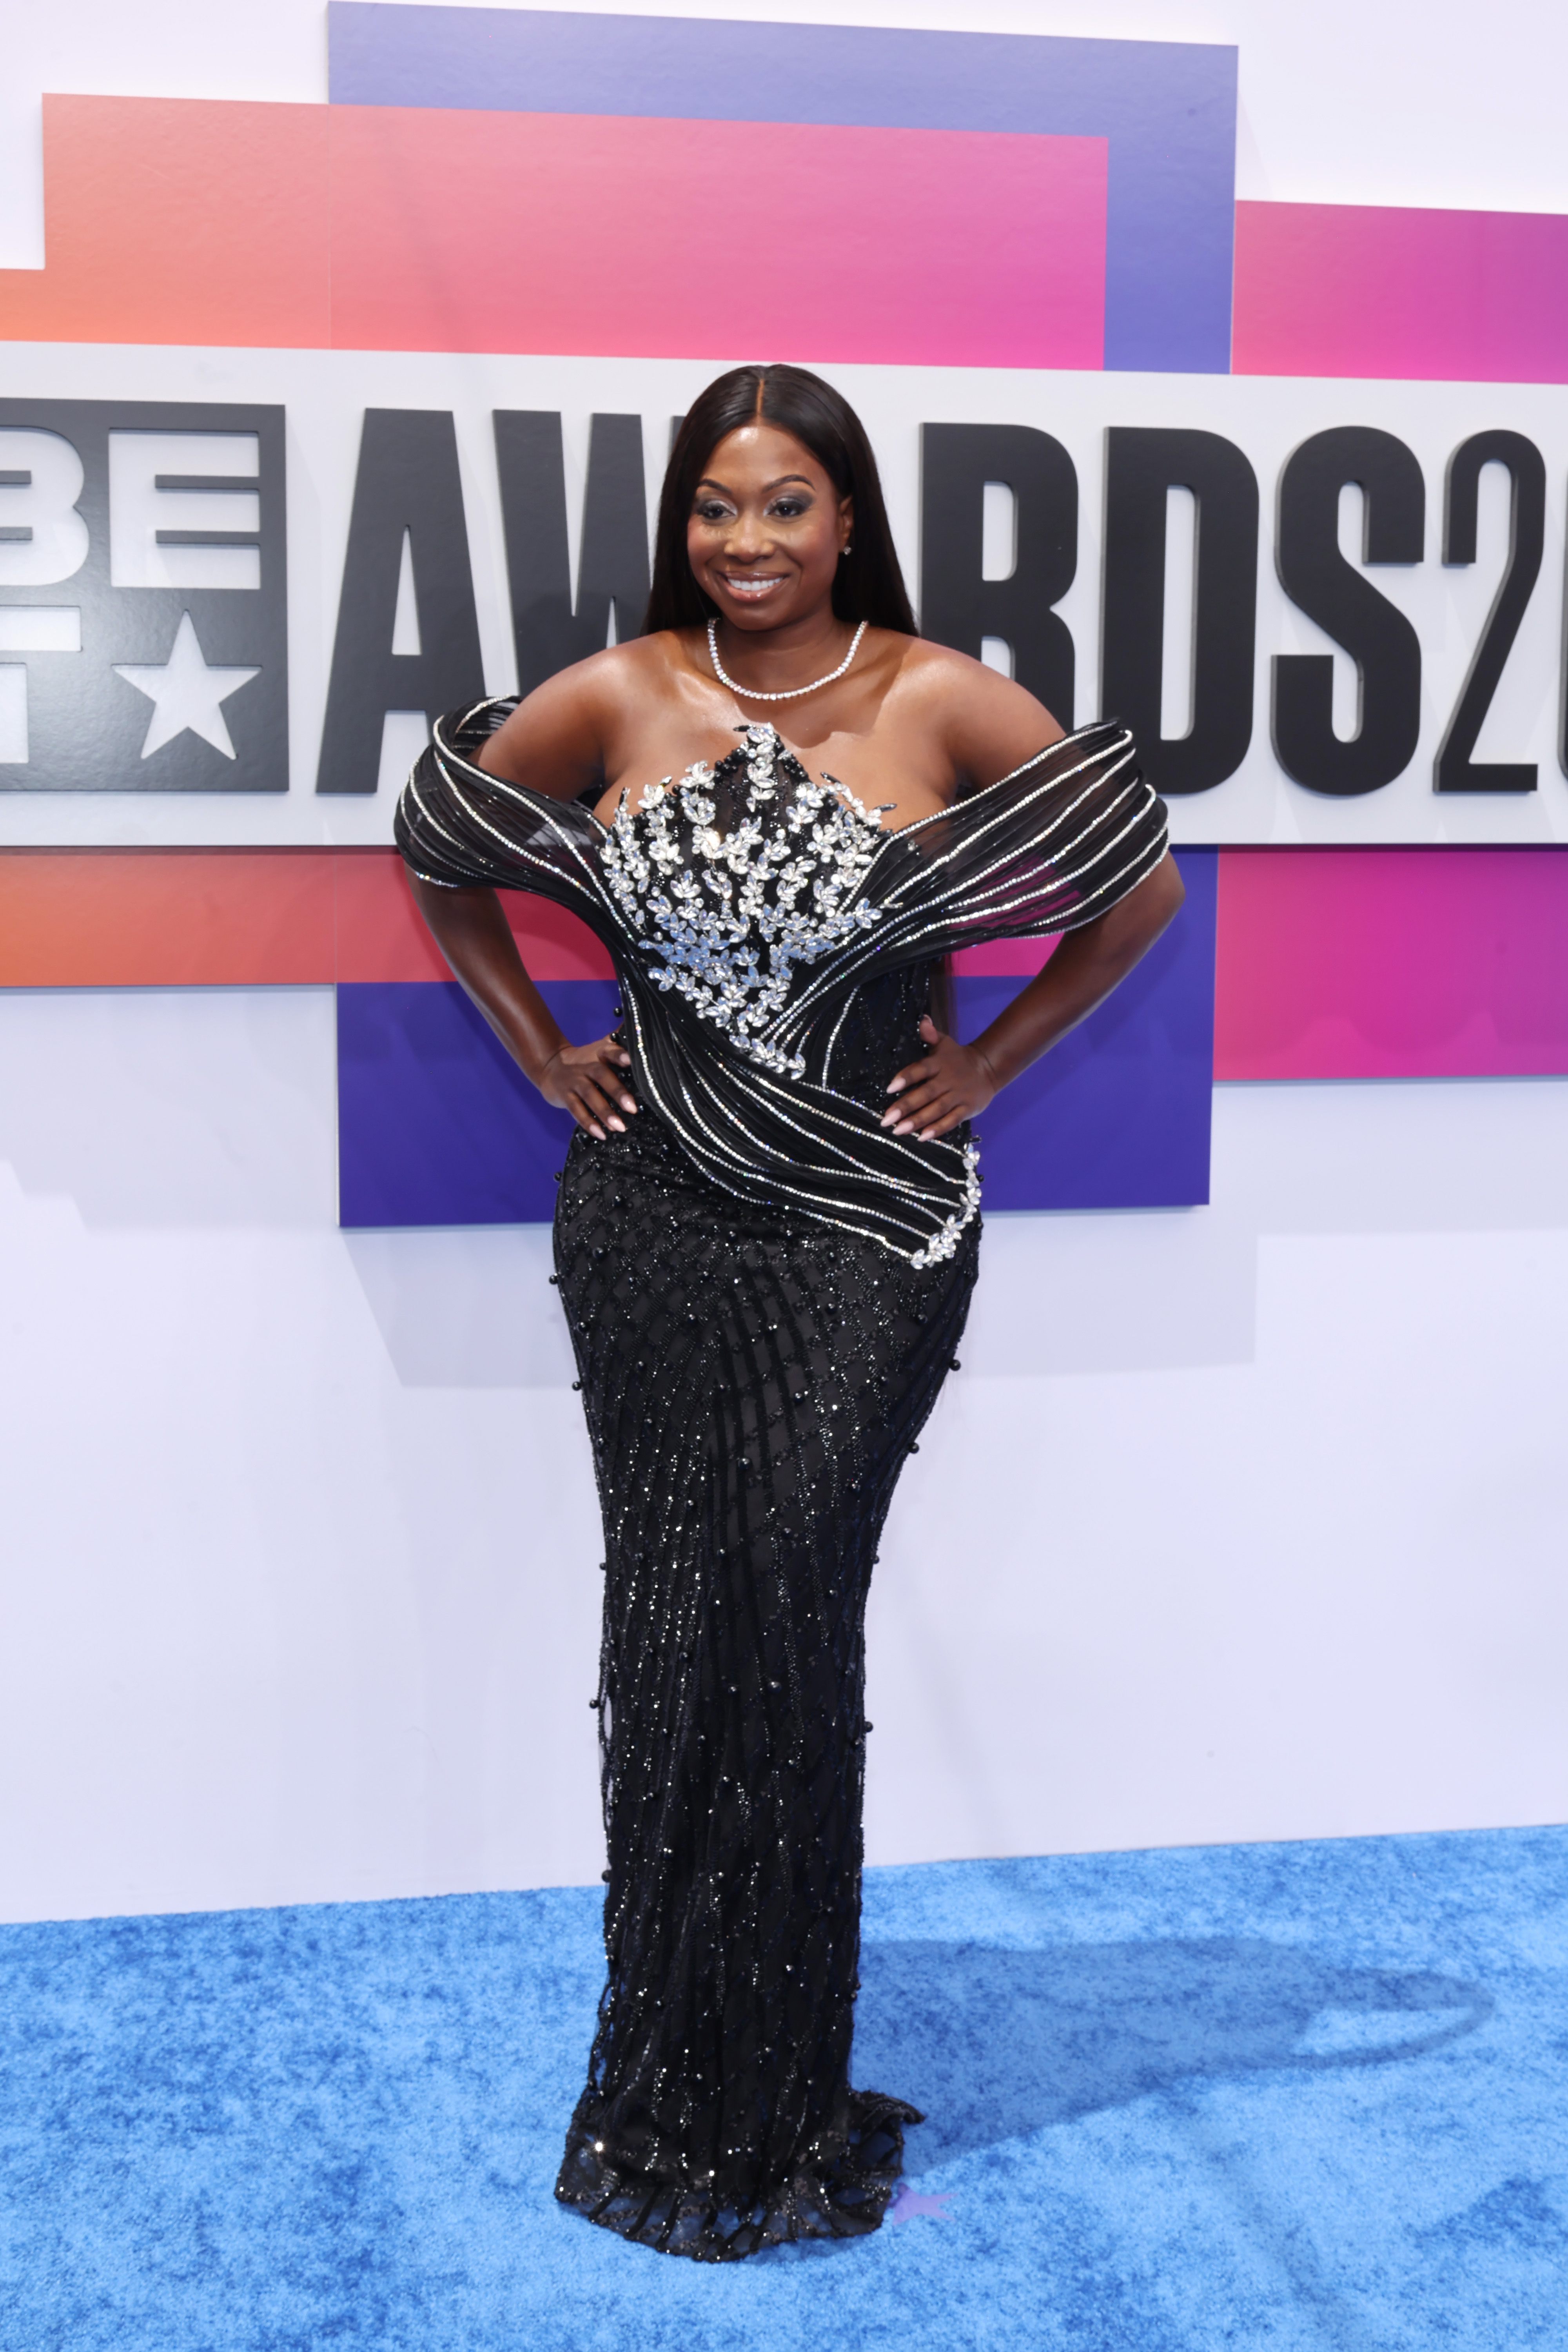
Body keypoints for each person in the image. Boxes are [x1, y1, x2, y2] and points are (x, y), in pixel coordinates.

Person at [397, 363, 1181, 2262]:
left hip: (867, 1239)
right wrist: (533, 1046)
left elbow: (1135, 887)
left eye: (786, 506)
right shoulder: (616, 693)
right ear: (684, 520)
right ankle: (675, 2086)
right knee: (677, 1636)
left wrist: (995, 1060)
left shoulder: (938, 694)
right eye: (715, 508)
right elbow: (439, 847)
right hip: (652, 1220)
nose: (746, 544)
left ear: (846, 516)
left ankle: (776, 2085)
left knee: (785, 1621)